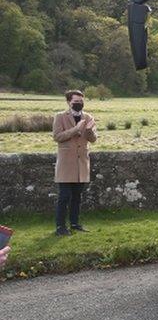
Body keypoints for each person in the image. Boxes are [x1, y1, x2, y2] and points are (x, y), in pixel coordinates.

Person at [52, 90, 97, 236]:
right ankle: (60, 227)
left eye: (81, 101)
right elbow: (57, 136)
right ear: (68, 102)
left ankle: (75, 223)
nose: (79, 104)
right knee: (64, 196)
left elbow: (93, 139)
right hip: (66, 163)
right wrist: (75, 129)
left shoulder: (89, 117)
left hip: (82, 163)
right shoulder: (60, 117)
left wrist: (89, 130)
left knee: (77, 196)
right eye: (75, 102)